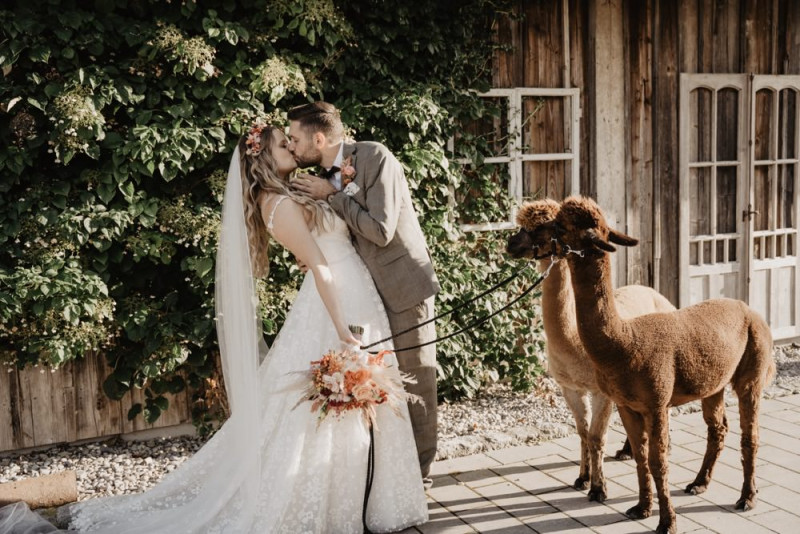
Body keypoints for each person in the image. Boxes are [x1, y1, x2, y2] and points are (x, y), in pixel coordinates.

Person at [0, 124, 428, 533]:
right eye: (285, 146)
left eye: (291, 142)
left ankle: (370, 498)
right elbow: (318, 264)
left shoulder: (296, 190)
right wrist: (343, 330)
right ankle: (337, 501)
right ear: (262, 162)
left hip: (356, 292)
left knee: (359, 400)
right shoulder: (277, 204)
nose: (294, 150)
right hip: (336, 306)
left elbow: (332, 240)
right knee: (327, 406)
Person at [288, 102, 440, 486]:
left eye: (294, 138)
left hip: (404, 285)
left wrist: (332, 195)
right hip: (364, 292)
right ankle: (386, 469)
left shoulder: (375, 156)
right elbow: (343, 232)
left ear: (318, 138)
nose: (292, 147)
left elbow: (381, 229)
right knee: (375, 382)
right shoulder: (323, 175)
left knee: (415, 377)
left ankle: (420, 473)